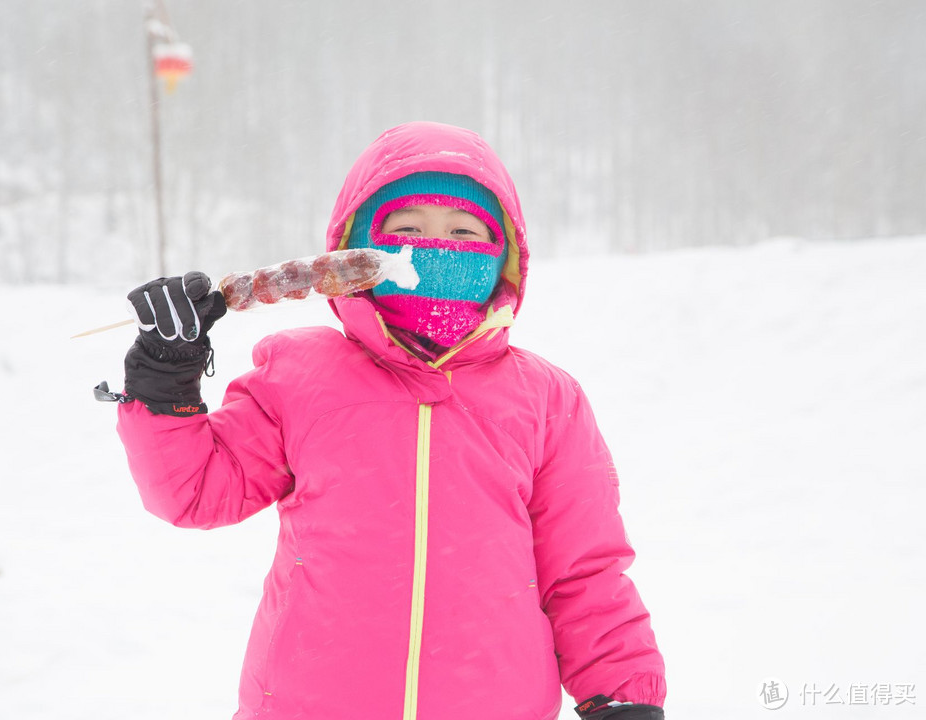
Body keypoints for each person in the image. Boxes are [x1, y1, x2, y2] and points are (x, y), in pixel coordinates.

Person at [114, 121, 666, 720]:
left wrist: (622, 693)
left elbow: (585, 574)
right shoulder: (300, 375)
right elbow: (194, 492)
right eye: (407, 229)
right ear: (356, 249)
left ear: (503, 253)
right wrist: (166, 380)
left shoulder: (546, 400)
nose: (437, 248)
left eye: (464, 230)